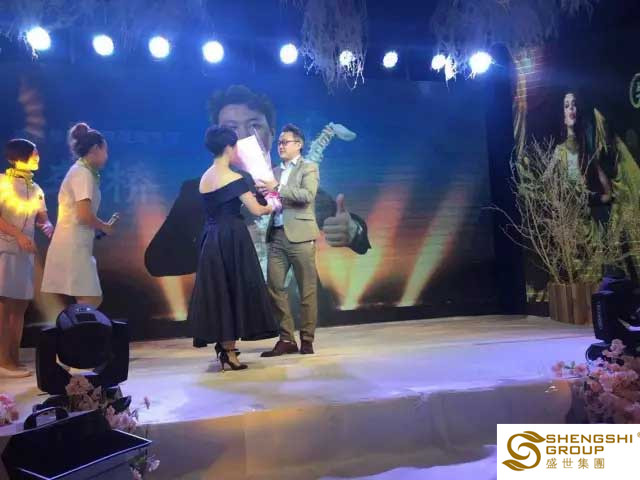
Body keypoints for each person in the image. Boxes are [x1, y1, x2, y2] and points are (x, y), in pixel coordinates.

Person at [144, 84, 370, 278]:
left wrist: (353, 230)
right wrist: (224, 248)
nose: (243, 135)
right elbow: (156, 260)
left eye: (254, 125)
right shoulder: (197, 190)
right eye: (231, 128)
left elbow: (347, 227)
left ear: (272, 134)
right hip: (231, 311)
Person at [187, 126, 277, 370]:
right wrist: (272, 200)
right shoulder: (234, 178)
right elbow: (257, 210)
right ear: (229, 147)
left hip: (211, 237)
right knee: (234, 290)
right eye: (235, 145)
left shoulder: (205, 177)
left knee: (220, 292)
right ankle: (228, 351)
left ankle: (226, 347)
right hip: (232, 237)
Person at [41, 123, 119, 308]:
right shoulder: (82, 174)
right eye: (105, 150)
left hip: (76, 243)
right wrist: (105, 227)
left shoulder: (82, 172)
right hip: (73, 245)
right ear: (95, 149)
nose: (107, 156)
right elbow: (83, 215)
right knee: (90, 300)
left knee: (87, 301)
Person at [257, 124, 319, 356]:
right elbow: (269, 201)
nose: (281, 146)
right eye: (279, 142)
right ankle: (286, 338)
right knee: (274, 287)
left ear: (299, 144)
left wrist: (277, 187)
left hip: (301, 237)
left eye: (285, 142)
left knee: (307, 290)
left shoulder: (308, 168)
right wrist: (260, 193)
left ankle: (307, 339)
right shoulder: (273, 171)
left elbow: (307, 196)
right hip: (277, 236)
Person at [0, 139, 53, 377]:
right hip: (5, 251)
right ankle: (3, 360)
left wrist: (52, 229)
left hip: (26, 254)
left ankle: (14, 358)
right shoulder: (2, 183)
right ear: (19, 156)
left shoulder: (37, 189)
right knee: (5, 307)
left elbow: (43, 219)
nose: (38, 157)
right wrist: (18, 235)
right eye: (34, 153)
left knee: (19, 308)